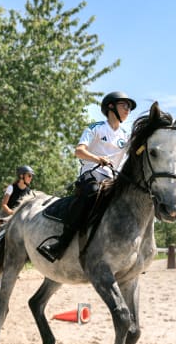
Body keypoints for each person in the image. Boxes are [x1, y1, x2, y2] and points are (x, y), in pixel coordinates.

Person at [37, 91, 136, 263]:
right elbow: (79, 151)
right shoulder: (95, 128)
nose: (128, 109)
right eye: (124, 105)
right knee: (91, 191)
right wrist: (98, 158)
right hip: (92, 174)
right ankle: (61, 244)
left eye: (129, 107)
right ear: (111, 106)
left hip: (113, 179)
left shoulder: (126, 136)